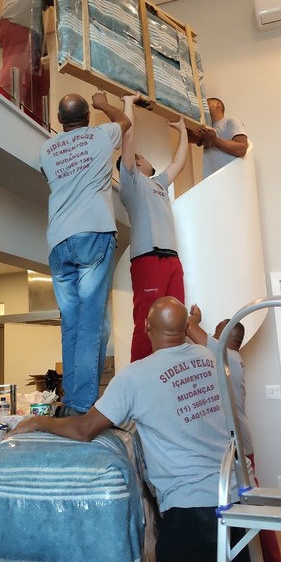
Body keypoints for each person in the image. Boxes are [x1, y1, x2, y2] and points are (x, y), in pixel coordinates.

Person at [9, 296, 264, 562]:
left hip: (189, 513)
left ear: (146, 328)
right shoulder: (221, 360)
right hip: (239, 505)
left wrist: (39, 423)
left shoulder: (135, 377)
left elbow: (84, 428)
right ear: (187, 327)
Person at [186, 306, 281, 562]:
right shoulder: (223, 363)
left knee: (258, 528)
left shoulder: (228, 361)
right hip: (236, 452)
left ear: (226, 340)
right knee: (249, 525)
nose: (213, 337)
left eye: (218, 333)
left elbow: (191, 330)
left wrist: (193, 318)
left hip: (241, 456)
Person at [39, 91, 131, 416]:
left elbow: (48, 177)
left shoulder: (46, 149)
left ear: (60, 120)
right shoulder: (101, 135)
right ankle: (81, 406)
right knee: (92, 321)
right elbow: (125, 121)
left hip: (58, 241)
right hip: (93, 232)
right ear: (87, 118)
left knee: (72, 322)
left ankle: (72, 400)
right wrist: (104, 103)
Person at [116, 92, 188, 361]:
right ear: (135, 163)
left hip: (172, 260)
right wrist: (128, 104)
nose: (146, 160)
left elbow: (178, 163)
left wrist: (182, 132)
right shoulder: (131, 183)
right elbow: (129, 138)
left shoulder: (158, 183)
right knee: (147, 322)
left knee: (176, 317)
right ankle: (140, 376)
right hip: (148, 259)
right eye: (142, 157)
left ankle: (173, 369)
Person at [0, 0, 71, 123]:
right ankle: (3, 112)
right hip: (18, 24)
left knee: (38, 84)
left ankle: (36, 123)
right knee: (17, 71)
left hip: (32, 35)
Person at [188, 97, 248, 178]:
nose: (204, 108)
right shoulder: (206, 128)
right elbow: (188, 137)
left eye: (207, 104)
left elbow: (242, 148)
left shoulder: (231, 121)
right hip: (211, 183)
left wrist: (214, 139)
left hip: (230, 179)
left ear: (218, 105)